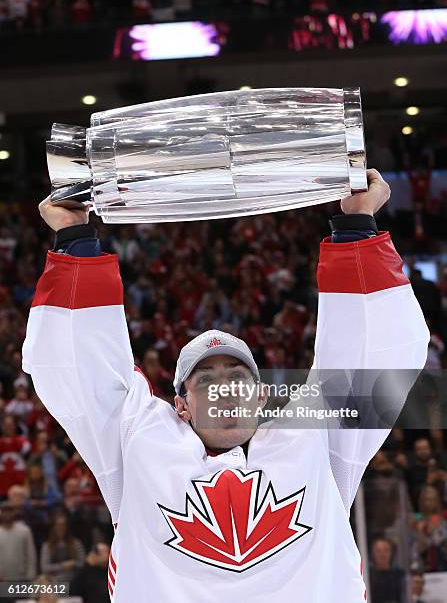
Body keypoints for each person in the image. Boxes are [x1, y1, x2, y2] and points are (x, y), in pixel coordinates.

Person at [23, 169, 430, 601]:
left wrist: (357, 224)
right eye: (208, 380)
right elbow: (81, 368)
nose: (226, 388)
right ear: (180, 405)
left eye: (238, 378)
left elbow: (374, 356)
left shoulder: (314, 442)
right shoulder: (140, 448)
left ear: (262, 396)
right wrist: (74, 238)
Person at [40, 513, 85, 583]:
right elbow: (45, 568)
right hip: (54, 583)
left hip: (74, 582)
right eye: (58, 525)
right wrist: (62, 566)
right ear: (53, 527)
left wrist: (73, 563)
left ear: (67, 527)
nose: (60, 528)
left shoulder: (76, 543)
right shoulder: (47, 545)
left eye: (63, 525)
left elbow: (83, 563)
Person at [0, 501, 36, 582]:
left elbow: (31, 553)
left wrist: (31, 574)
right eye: (4, 512)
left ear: (14, 513)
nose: (7, 514)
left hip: (21, 577)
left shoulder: (24, 530)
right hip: (2, 578)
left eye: (9, 511)